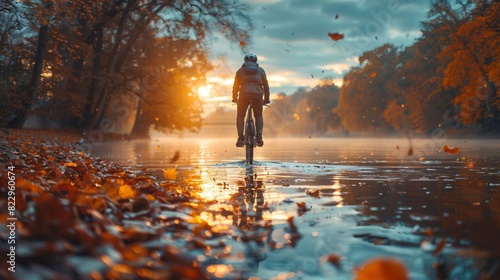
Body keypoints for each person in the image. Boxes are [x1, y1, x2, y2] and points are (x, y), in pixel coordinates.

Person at [232, 53, 270, 147]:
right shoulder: (261, 71)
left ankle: (241, 138)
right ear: (256, 61)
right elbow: (266, 86)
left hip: (244, 95)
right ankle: (259, 137)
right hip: (257, 95)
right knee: (258, 116)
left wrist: (234, 98)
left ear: (245, 61)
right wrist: (266, 99)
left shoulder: (240, 71)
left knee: (240, 116)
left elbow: (235, 86)